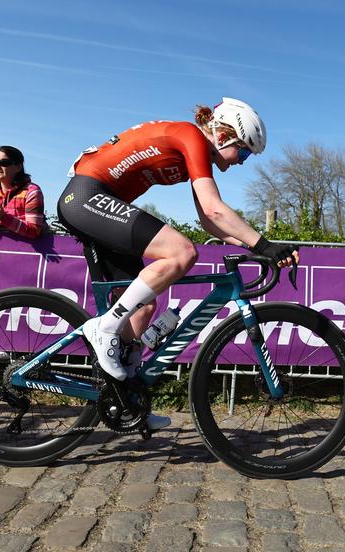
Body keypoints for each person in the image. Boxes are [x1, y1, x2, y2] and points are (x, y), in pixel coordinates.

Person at [57, 98, 298, 430]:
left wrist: (251, 247)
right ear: (224, 135)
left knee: (143, 308)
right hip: (87, 196)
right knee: (183, 253)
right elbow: (214, 209)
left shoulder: (196, 149)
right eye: (243, 153)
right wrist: (265, 245)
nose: (241, 162)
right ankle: (105, 328)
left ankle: (128, 401)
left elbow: (209, 221)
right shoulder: (192, 137)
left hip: (97, 202)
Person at [0, 146, 47, 239]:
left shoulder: (32, 192)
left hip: (28, 245)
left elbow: (34, 231)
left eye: (4, 163)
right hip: (1, 243)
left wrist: (4, 218)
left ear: (18, 167)